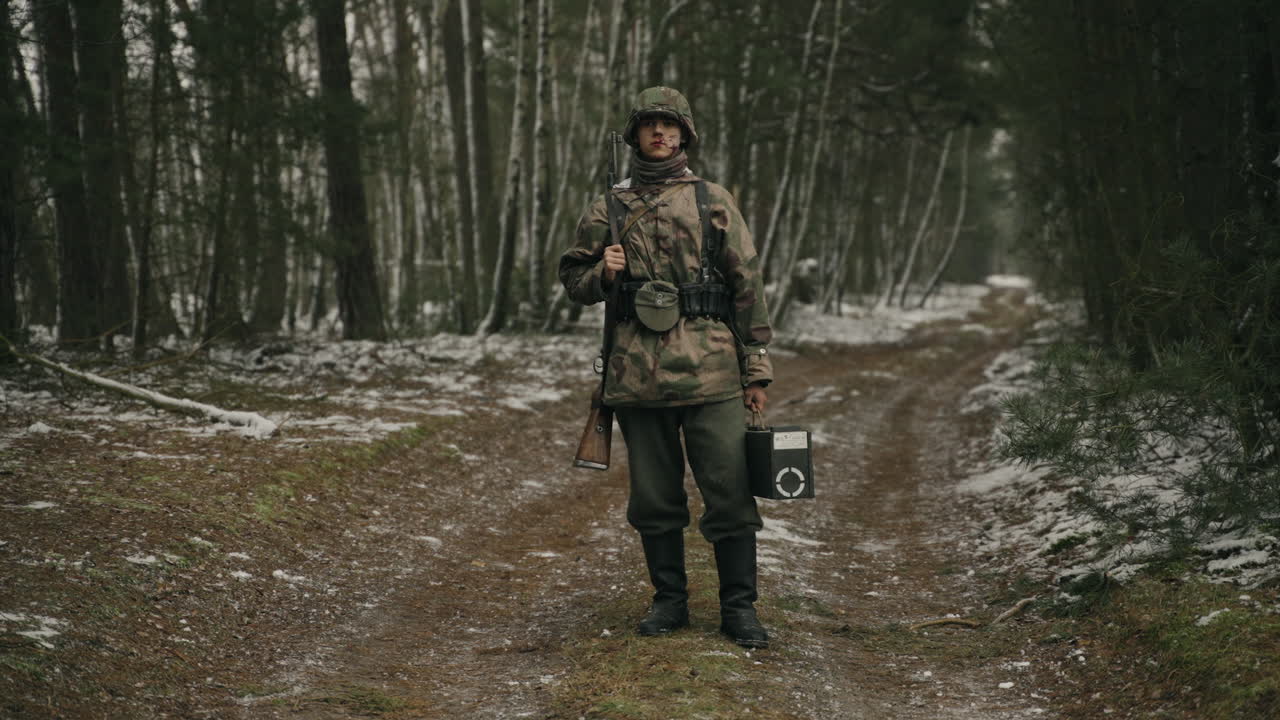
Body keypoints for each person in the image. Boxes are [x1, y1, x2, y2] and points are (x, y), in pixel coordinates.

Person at [558, 86, 774, 649]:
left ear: (684, 135)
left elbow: (747, 285)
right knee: (654, 500)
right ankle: (669, 601)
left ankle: (739, 608)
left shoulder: (712, 200)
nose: (660, 132)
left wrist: (756, 369)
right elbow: (573, 281)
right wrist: (603, 273)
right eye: (650, 124)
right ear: (636, 135)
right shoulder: (608, 207)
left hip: (712, 371)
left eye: (670, 125)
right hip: (637, 374)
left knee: (730, 493)